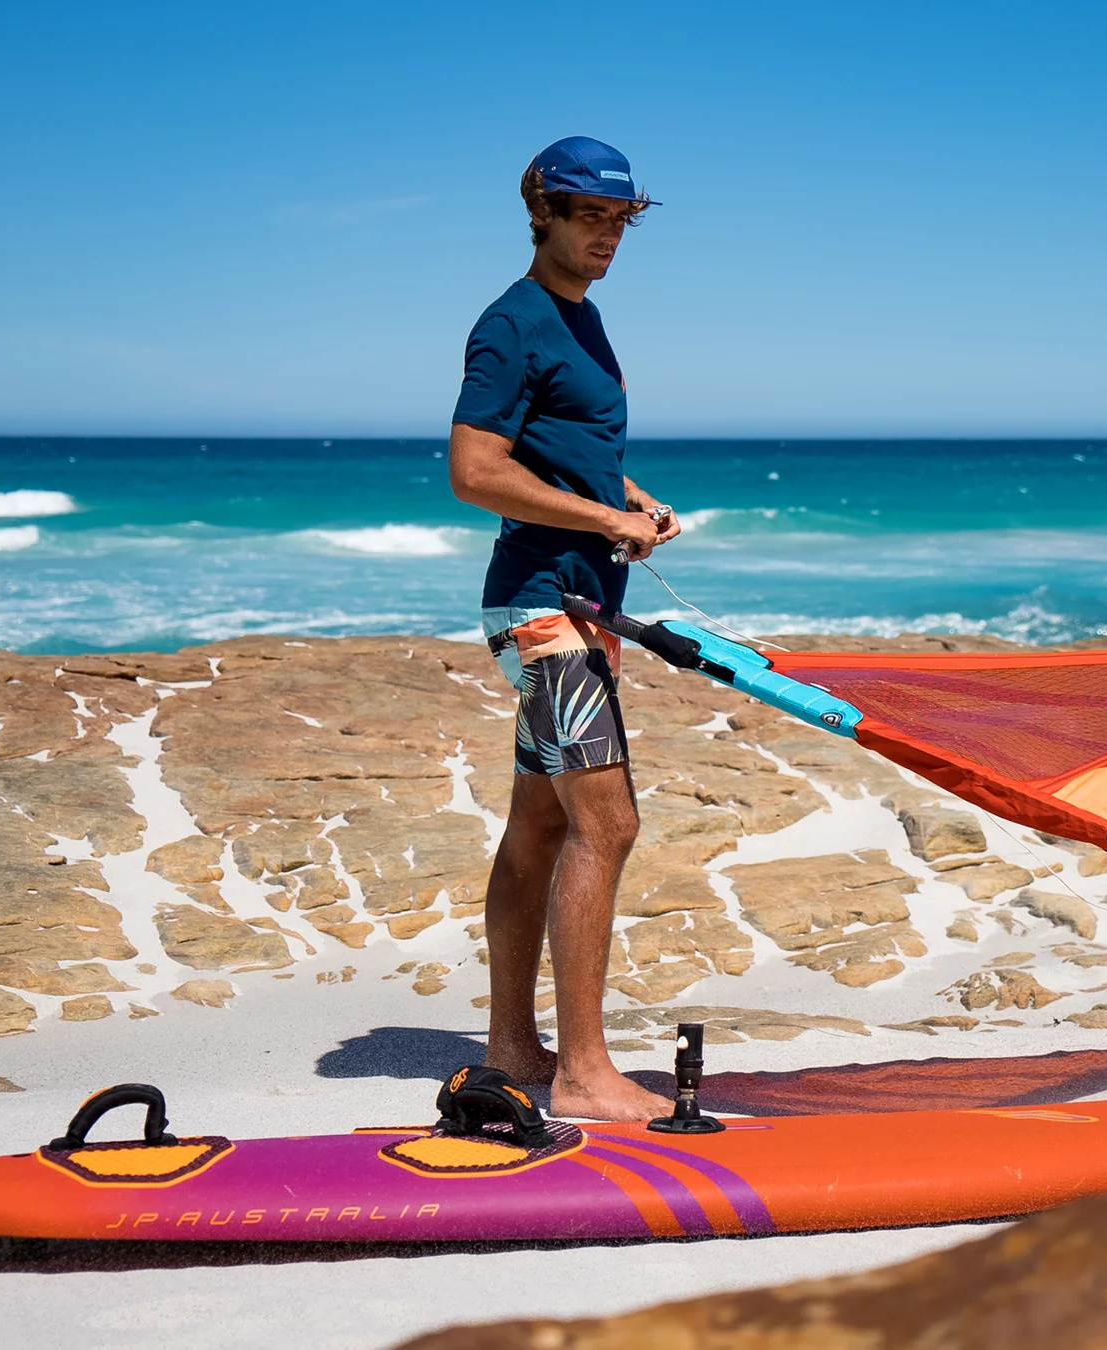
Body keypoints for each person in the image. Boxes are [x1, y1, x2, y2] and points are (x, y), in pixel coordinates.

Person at [446, 137, 679, 1122]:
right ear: (540, 208)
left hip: (574, 599)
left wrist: (629, 499)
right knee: (608, 824)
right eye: (590, 217)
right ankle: (585, 1072)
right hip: (544, 608)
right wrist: (602, 521)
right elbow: (474, 469)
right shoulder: (513, 325)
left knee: (542, 822)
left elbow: (562, 458)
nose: (606, 239)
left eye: (620, 223)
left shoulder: (582, 322)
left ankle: (512, 1048)